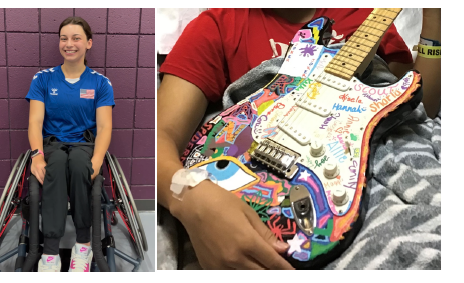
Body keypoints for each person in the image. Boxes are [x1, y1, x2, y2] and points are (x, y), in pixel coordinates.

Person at [157, 8, 441, 269]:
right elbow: (158, 136)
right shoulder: (218, 25)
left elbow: (418, 106)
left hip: (341, 179)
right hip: (243, 172)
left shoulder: (368, 15)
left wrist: (436, 21)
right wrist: (187, 195)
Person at [26, 16, 114, 272]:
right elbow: (35, 122)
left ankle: (83, 245)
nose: (69, 44)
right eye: (64, 38)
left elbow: (105, 127)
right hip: (52, 144)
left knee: (79, 165)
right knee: (54, 166)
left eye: (76, 38)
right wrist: (36, 155)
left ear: (88, 43)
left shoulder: (100, 83)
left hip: (84, 146)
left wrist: (97, 159)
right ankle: (50, 252)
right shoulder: (42, 79)